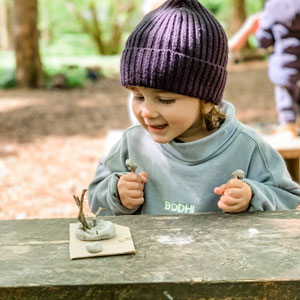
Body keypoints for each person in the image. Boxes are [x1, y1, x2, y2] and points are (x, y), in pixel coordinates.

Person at [88, 0, 300, 216]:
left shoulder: (247, 147)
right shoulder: (132, 143)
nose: (147, 111)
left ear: (207, 101)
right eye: (138, 96)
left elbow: (288, 197)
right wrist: (116, 191)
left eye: (165, 100)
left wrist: (253, 195)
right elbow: (96, 196)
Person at [229, 0, 300, 138]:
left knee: (286, 98)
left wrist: (258, 33)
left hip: (284, 65)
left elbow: (264, 40)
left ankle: (288, 127)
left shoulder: (272, 7)